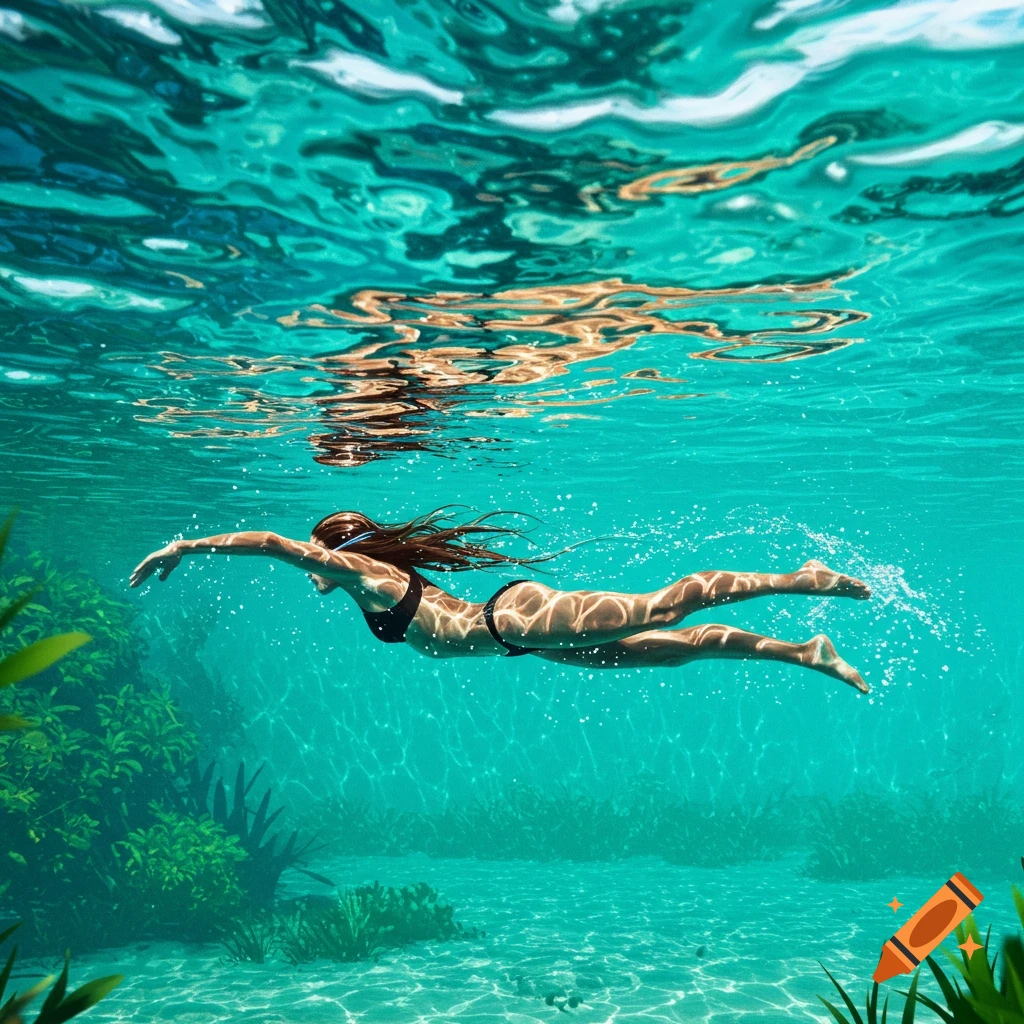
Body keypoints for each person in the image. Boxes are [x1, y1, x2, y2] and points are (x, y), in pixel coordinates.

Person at [130, 508, 871, 692]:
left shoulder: (364, 576)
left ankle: (799, 576)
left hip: (515, 619)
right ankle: (803, 651)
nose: (312, 570)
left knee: (663, 607)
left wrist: (185, 547)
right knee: (667, 654)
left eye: (320, 556)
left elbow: (276, 547)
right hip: (522, 639)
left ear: (339, 553)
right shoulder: (372, 582)